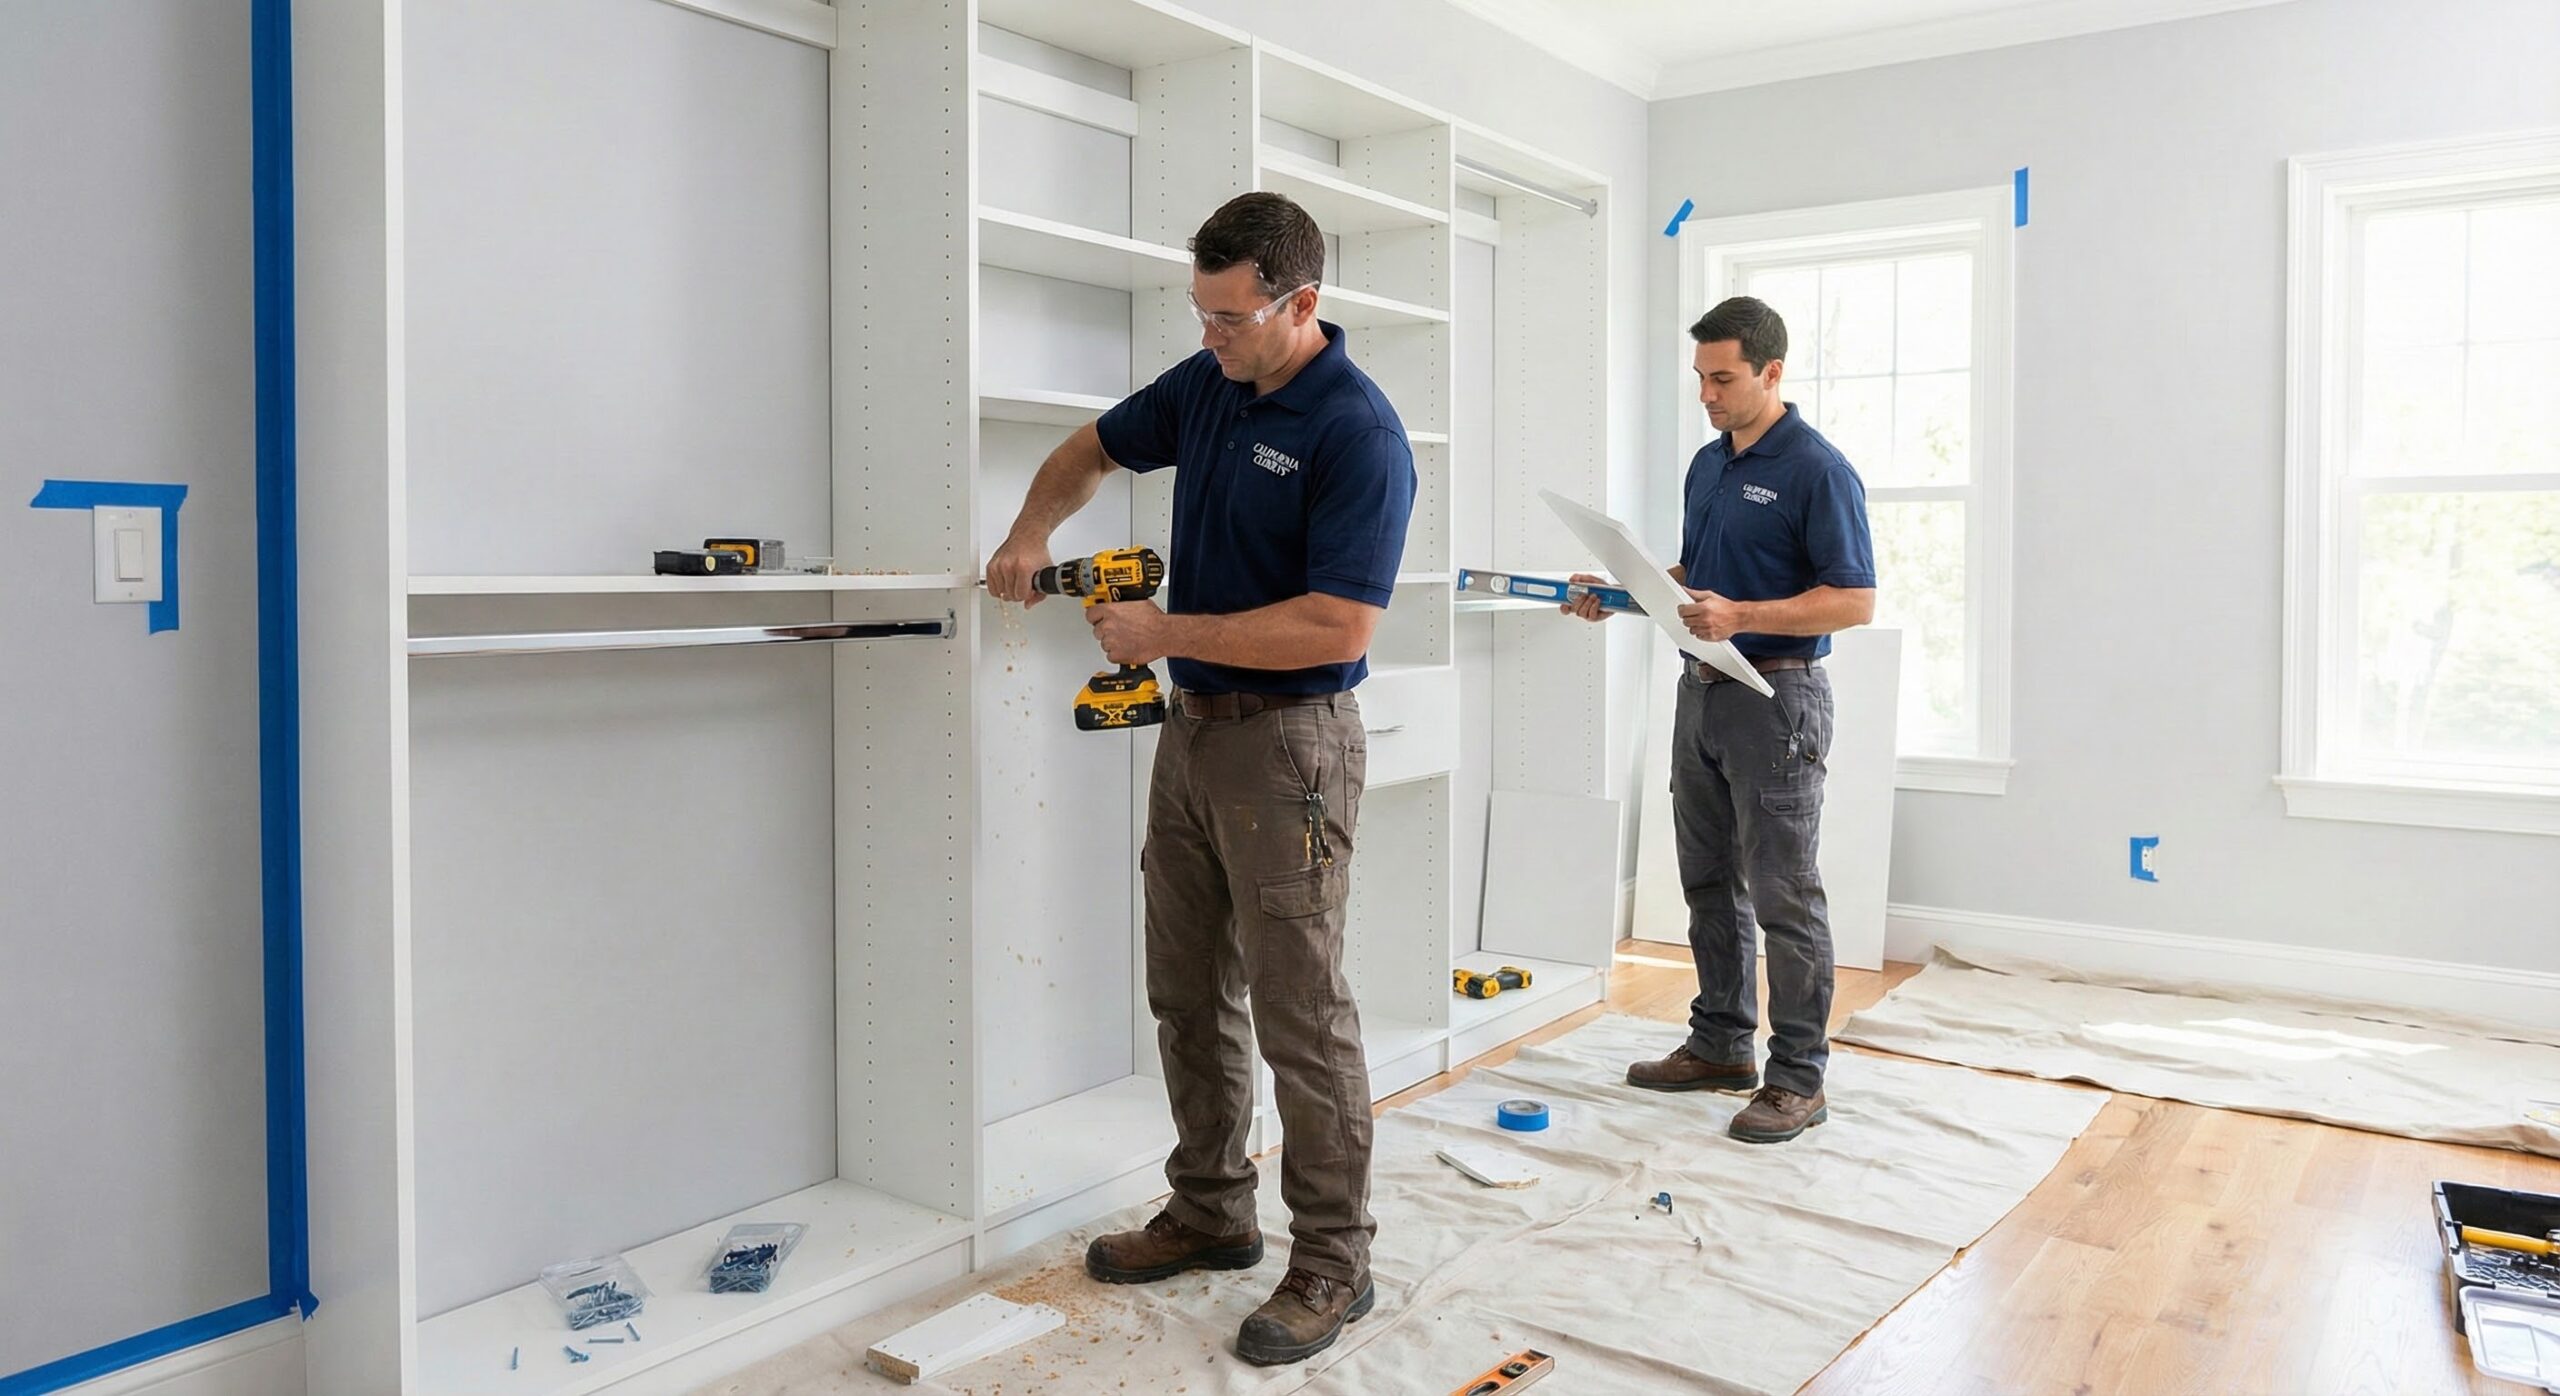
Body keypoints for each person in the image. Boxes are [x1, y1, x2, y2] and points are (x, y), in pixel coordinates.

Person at [985, 191, 1416, 1365]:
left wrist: (1166, 634)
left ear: (1302, 302)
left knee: (1301, 1013)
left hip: (1293, 746)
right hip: (1194, 737)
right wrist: (1029, 532)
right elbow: (1089, 448)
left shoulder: (1357, 434)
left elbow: (1334, 624)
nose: (1212, 337)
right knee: (1184, 986)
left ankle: (1333, 1259)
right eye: (1202, 314)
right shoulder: (1213, 383)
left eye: (1232, 318)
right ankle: (1213, 1210)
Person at [1565, 295, 1875, 1144]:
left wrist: (1741, 616)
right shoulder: (1710, 465)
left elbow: (1854, 601)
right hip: (1701, 691)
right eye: (1701, 378)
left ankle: (1799, 1079)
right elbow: (1695, 579)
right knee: (1706, 879)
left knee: (1785, 895)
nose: (1708, 394)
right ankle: (1720, 1044)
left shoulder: (1819, 470)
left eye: (1725, 379)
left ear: (1773, 373)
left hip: (1777, 700)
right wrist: (1624, 595)